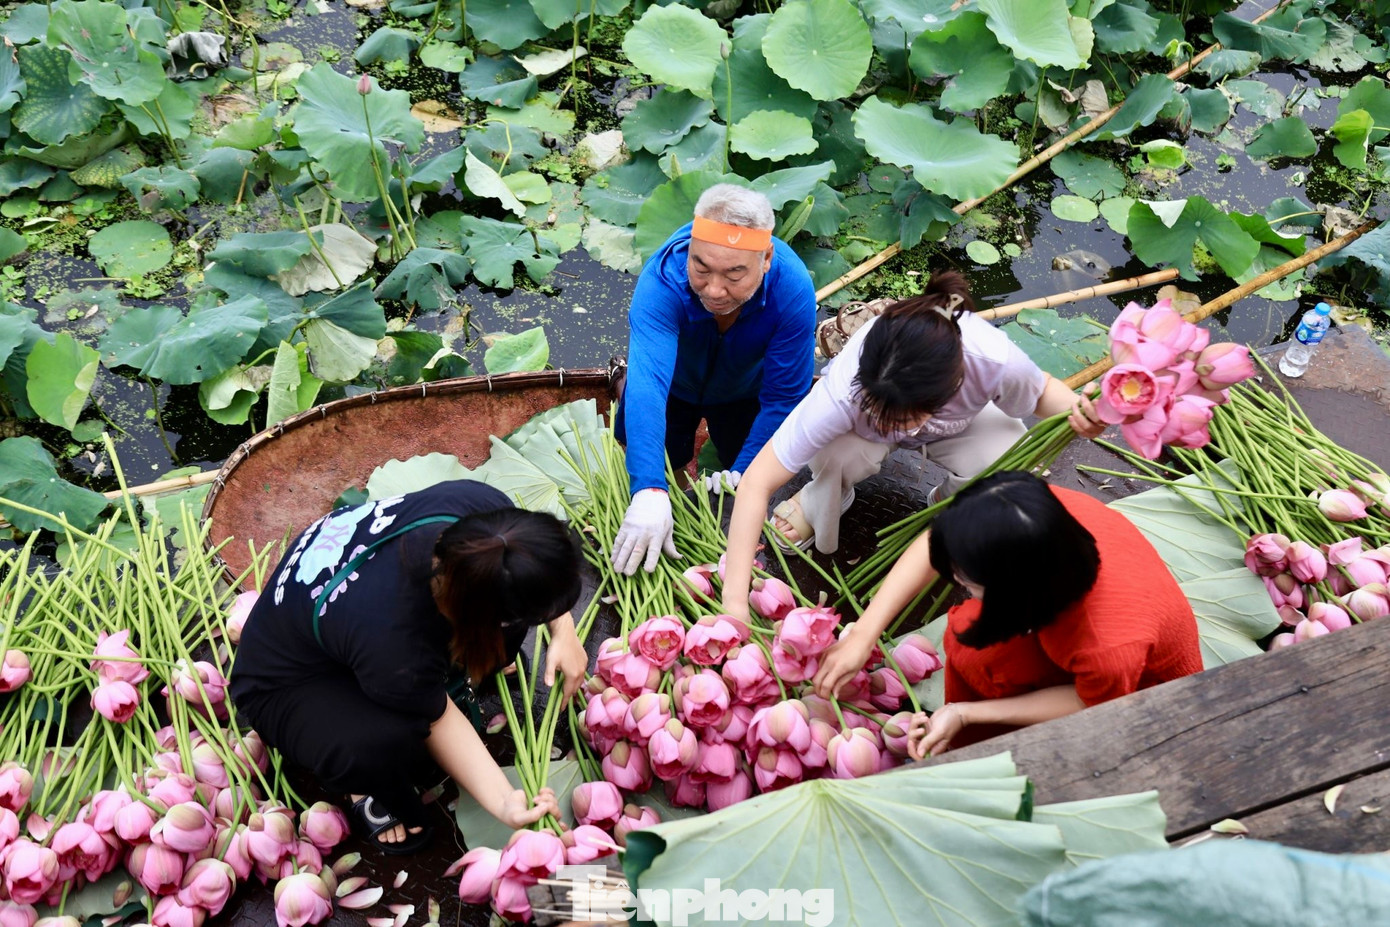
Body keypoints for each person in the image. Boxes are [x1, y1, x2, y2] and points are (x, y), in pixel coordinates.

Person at [719, 270, 1105, 622]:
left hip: (959, 429)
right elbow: (757, 482)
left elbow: (1040, 395)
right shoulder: (844, 392)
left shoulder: (992, 360)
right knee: (835, 453)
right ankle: (820, 498)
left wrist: (1082, 414)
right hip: (858, 436)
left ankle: (951, 505)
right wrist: (734, 603)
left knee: (1011, 465)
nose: (893, 427)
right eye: (879, 409)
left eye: (904, 417)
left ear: (951, 387)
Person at [229, 480, 589, 854]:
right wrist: (504, 801)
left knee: (492, 639)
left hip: (352, 606)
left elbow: (529, 566)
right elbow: (439, 719)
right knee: (392, 736)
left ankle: (437, 675)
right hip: (284, 681)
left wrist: (565, 631)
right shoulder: (393, 640)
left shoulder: (490, 521)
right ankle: (362, 782)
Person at [812, 471, 1202, 757]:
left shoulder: (1106, 646)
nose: (959, 586)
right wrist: (864, 633)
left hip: (1138, 693)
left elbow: (1090, 703)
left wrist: (967, 714)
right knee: (964, 633)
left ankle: (972, 752)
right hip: (1075, 625)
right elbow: (937, 540)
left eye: (969, 581)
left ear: (1016, 595)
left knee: (976, 655)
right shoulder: (1035, 515)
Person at [611, 183, 817, 576]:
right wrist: (649, 490)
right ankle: (621, 380)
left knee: (739, 464)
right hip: (673, 387)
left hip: (743, 393)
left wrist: (741, 480)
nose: (715, 290)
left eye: (735, 274)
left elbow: (782, 398)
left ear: (766, 258)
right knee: (663, 461)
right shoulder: (662, 282)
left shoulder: (791, 291)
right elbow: (650, 385)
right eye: (701, 269)